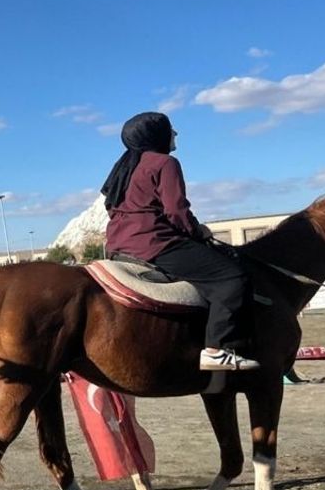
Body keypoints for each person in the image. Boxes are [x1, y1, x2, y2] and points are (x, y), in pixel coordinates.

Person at [100, 112, 258, 372]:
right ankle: (217, 350)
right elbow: (176, 210)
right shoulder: (165, 163)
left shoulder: (123, 168)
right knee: (233, 278)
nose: (175, 134)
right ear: (156, 135)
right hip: (156, 242)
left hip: (118, 246)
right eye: (171, 129)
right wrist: (197, 232)